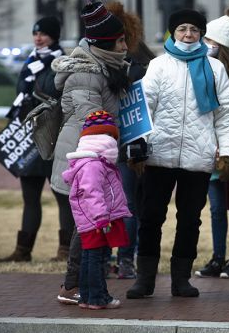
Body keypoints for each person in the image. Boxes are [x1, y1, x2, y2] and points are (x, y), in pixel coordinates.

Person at [126, 9, 229, 299]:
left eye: (194, 30)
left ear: (201, 33)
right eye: (182, 29)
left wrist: (227, 153)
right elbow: (144, 108)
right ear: (172, 33)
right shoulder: (159, 65)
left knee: (190, 220)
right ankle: (145, 279)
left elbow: (225, 116)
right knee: (151, 217)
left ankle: (181, 280)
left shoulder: (215, 69)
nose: (188, 35)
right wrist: (136, 148)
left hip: (197, 158)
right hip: (158, 155)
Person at [52, 1, 130, 305]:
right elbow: (93, 120)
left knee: (84, 224)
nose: (125, 46)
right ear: (106, 43)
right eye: (121, 41)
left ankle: (77, 285)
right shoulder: (86, 74)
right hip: (83, 158)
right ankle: (74, 286)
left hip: (96, 156)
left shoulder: (106, 66)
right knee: (86, 225)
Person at [0, 16, 74, 263]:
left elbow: (55, 92)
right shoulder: (30, 61)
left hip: (52, 135)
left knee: (62, 194)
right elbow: (22, 92)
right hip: (29, 138)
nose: (38, 38)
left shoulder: (61, 60)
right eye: (35, 33)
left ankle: (65, 250)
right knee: (30, 197)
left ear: (54, 36)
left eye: (43, 34)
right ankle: (23, 250)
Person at [195, 5, 229, 279]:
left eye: (211, 42)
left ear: (223, 46)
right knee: (216, 209)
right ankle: (218, 257)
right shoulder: (205, 68)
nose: (206, 46)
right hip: (210, 150)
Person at [105, 1, 157, 280]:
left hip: (127, 143)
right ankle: (107, 257)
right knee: (107, 202)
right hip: (103, 141)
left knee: (127, 203)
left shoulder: (139, 62)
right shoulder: (98, 57)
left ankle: (125, 258)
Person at [62, 111, 131, 310]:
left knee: (90, 257)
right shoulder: (93, 165)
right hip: (97, 221)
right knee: (97, 258)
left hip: (92, 220)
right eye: (111, 137)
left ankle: (86, 296)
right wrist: (102, 218)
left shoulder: (94, 163)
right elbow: (92, 193)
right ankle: (98, 297)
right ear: (103, 139)